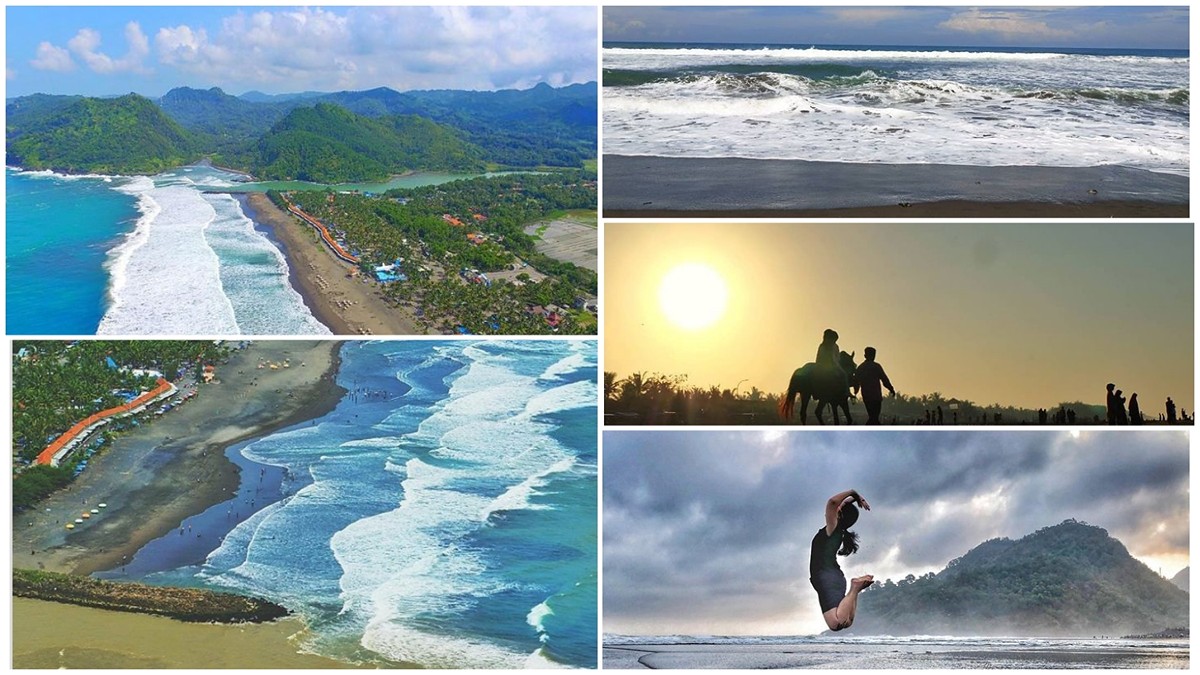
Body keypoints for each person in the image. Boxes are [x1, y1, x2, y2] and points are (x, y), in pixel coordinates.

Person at [810, 489, 873, 631]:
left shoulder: (832, 528)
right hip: (833, 577)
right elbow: (841, 504)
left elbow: (833, 502)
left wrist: (854, 492)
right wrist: (855, 498)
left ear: (839, 514)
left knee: (836, 623)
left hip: (826, 577)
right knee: (846, 621)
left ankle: (855, 588)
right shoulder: (838, 530)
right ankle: (855, 590)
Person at [853, 347, 895, 425]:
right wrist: (891, 389)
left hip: (867, 396)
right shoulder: (876, 366)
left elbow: (856, 381)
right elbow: (884, 379)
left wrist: (855, 392)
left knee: (873, 417)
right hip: (876, 396)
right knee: (874, 417)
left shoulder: (861, 367)